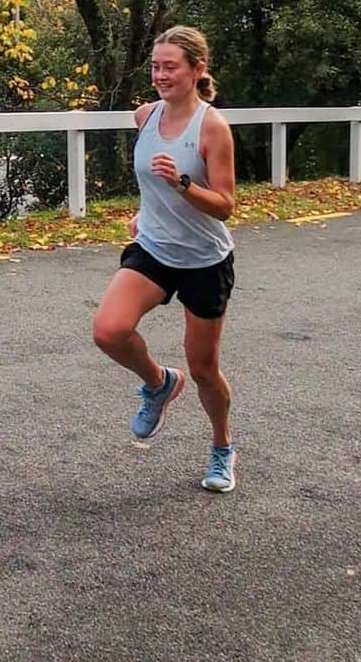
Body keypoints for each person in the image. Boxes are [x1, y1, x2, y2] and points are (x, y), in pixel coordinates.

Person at [92, 25, 237, 492]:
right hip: (154, 249)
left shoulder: (212, 127)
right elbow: (148, 183)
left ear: (197, 70)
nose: (160, 75)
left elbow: (225, 205)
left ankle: (222, 448)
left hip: (203, 260)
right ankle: (158, 383)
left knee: (204, 369)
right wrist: (144, 211)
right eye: (156, 66)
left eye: (170, 66)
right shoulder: (145, 116)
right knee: (109, 331)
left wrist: (181, 184)